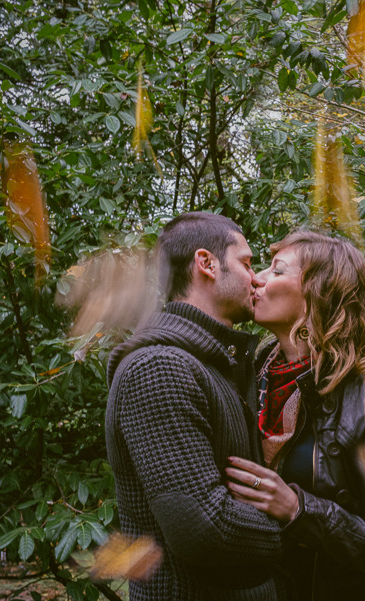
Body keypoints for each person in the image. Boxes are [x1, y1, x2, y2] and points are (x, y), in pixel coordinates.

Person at [224, 231, 365, 601]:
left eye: (276, 270)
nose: (256, 278)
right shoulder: (249, 372)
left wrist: (299, 509)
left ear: (317, 295)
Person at [105, 212, 284, 601]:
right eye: (247, 262)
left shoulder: (215, 364)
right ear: (206, 263)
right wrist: (302, 525)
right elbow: (206, 530)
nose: (256, 279)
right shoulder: (159, 367)